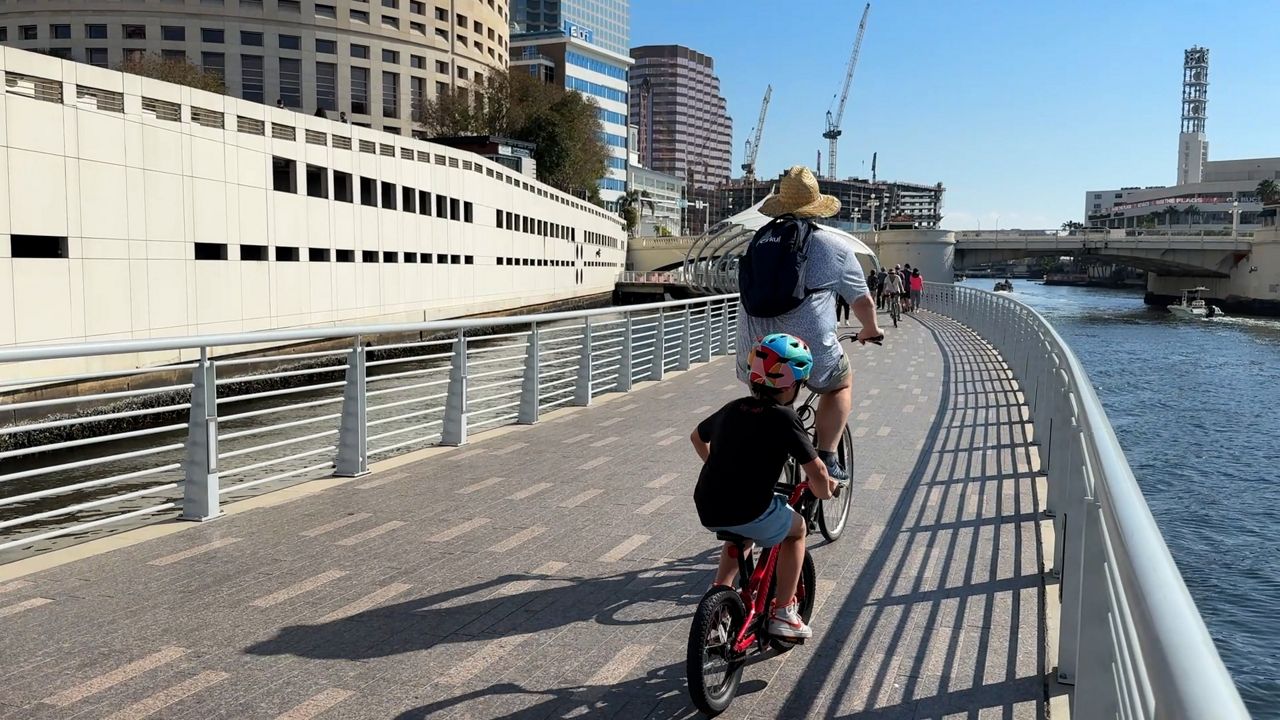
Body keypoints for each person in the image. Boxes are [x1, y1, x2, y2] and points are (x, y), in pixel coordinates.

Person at [735, 165, 883, 482]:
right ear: (816, 209)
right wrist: (870, 329)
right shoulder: (834, 248)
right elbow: (863, 302)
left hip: (756, 350)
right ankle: (827, 455)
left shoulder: (759, 243)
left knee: (770, 398)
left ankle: (764, 460)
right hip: (808, 348)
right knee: (840, 382)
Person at [691, 333, 836, 639]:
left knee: (740, 535)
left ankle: (720, 596)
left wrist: (716, 466)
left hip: (708, 503)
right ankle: (784, 611)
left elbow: (697, 436)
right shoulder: (785, 418)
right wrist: (825, 490)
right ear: (792, 385)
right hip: (750, 508)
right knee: (796, 531)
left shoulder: (733, 408)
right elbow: (817, 470)